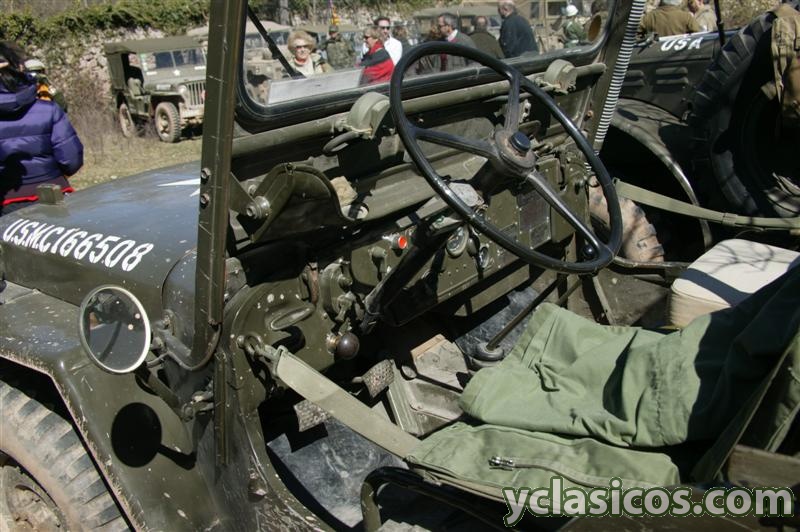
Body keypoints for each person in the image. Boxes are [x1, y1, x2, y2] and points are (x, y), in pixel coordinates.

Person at [0, 41, 82, 214]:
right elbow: (71, 158)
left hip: (5, 201)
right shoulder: (49, 109)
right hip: (53, 193)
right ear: (19, 69)